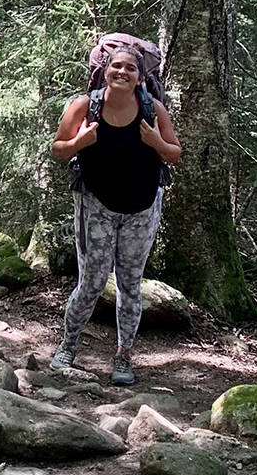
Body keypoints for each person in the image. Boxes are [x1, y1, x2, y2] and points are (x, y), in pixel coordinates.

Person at [49, 33, 182, 385]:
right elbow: (59, 148)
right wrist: (79, 142)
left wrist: (156, 141)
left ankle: (124, 356)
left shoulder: (153, 109)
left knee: (130, 284)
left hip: (142, 207)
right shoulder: (85, 106)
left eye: (130, 68)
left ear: (140, 77)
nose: (122, 72)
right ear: (105, 71)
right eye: (116, 66)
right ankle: (67, 347)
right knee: (91, 281)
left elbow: (174, 153)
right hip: (97, 204)